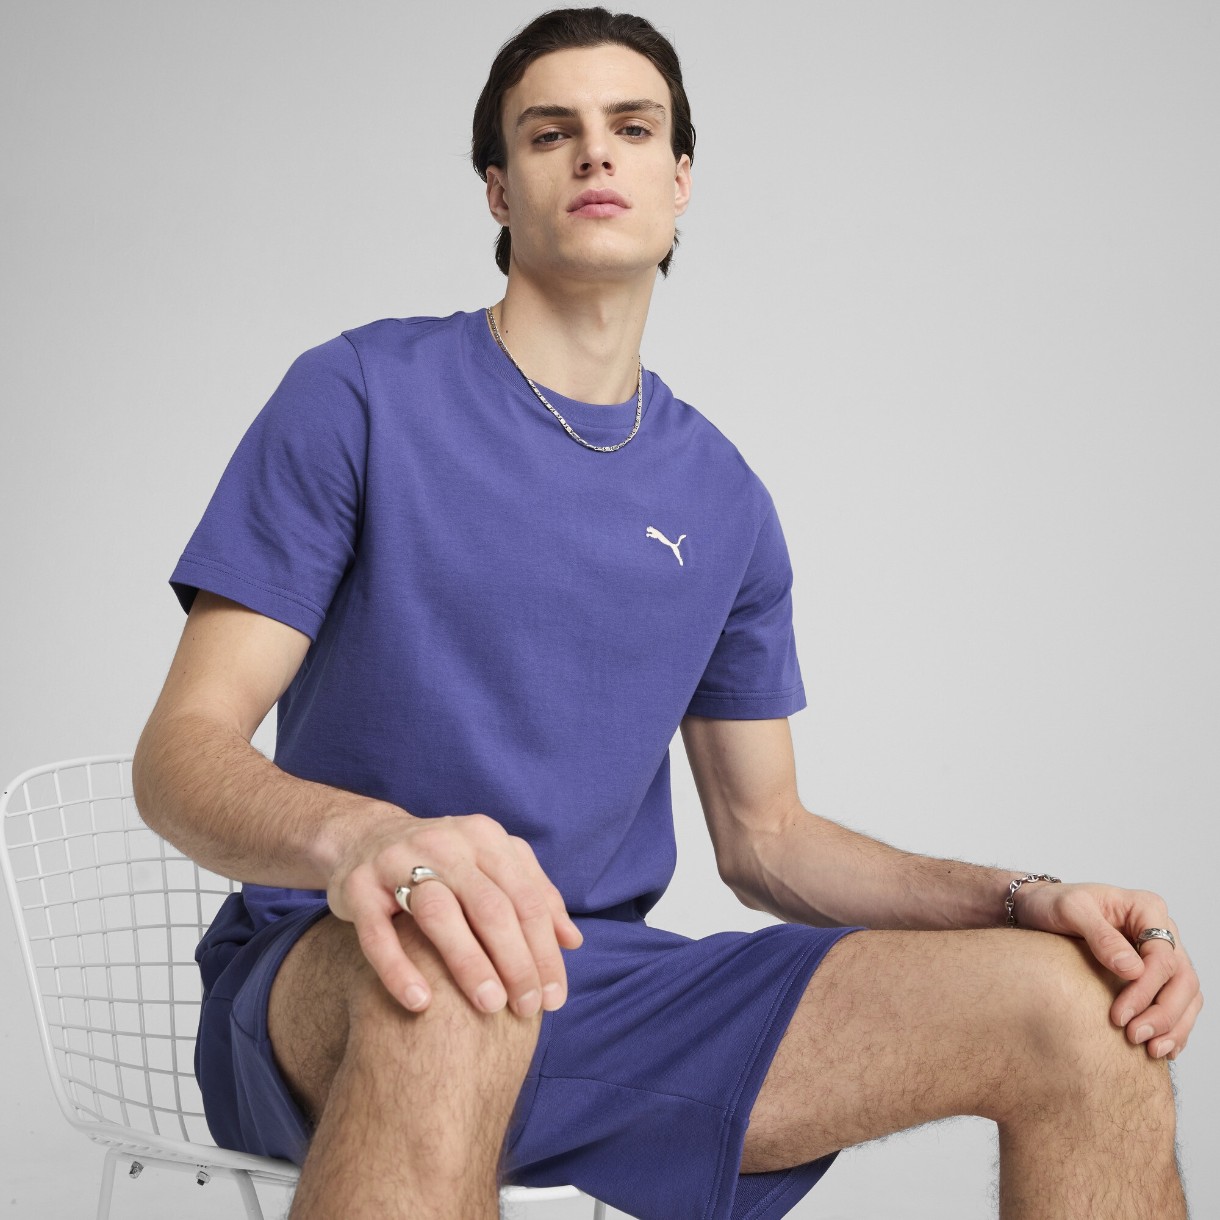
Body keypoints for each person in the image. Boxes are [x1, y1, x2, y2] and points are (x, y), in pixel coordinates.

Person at [132, 8, 1201, 1219]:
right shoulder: (360, 393)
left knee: (1083, 1009)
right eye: (550, 132)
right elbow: (181, 752)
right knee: (459, 967)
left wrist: (1019, 895)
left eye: (632, 128)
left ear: (678, 178)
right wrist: (368, 839)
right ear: (498, 189)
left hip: (599, 980)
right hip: (340, 957)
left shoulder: (723, 497)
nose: (596, 152)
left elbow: (767, 837)